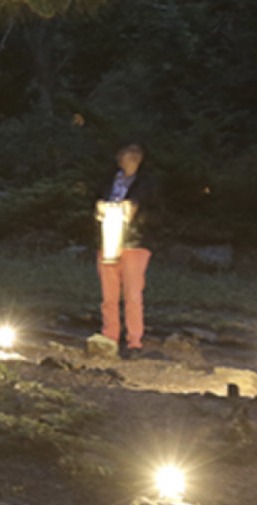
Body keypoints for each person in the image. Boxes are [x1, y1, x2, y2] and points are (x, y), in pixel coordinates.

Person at [96, 141, 159, 357]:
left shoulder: (147, 183)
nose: (125, 159)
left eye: (131, 155)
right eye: (124, 154)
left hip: (135, 244)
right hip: (108, 241)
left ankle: (134, 342)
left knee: (132, 294)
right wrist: (100, 209)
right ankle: (110, 337)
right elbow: (96, 202)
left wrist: (132, 209)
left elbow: (152, 209)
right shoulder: (109, 181)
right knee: (109, 295)